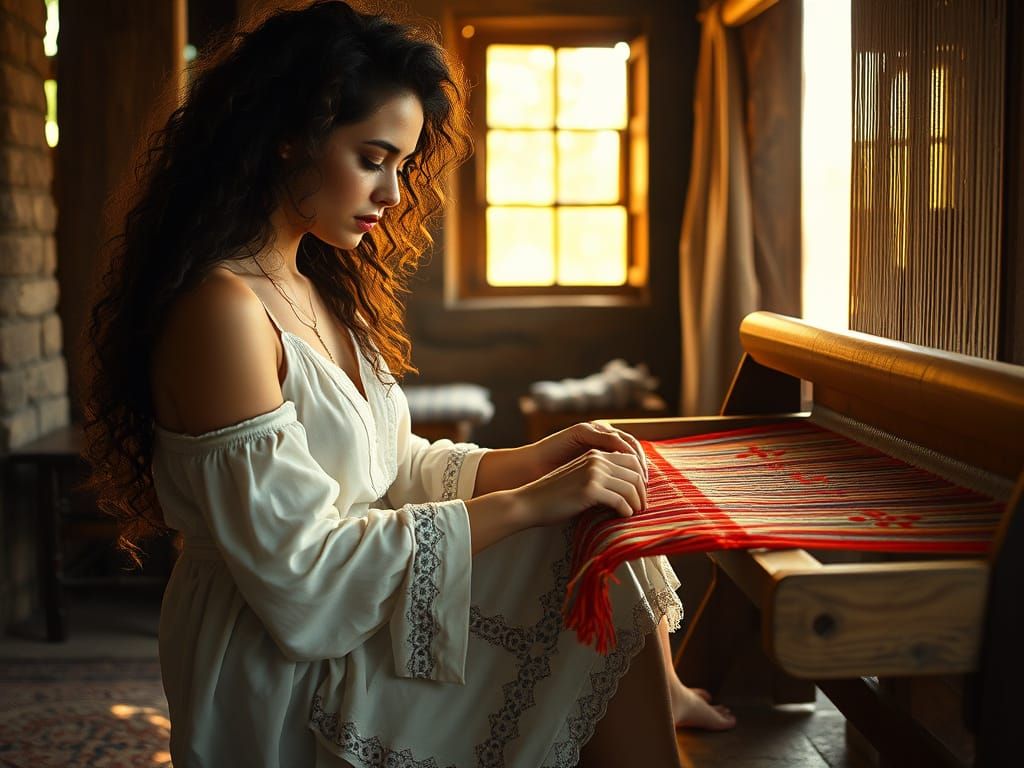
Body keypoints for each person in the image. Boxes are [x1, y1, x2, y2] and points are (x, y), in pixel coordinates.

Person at [81, 1, 734, 765]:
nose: (393, 194)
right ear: (288, 135)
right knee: (572, 567)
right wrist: (530, 502)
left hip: (354, 602)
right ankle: (645, 704)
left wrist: (538, 461)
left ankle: (650, 691)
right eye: (373, 158)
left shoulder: (316, 283)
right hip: (285, 655)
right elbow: (302, 580)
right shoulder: (219, 310)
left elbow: (389, 468)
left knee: (593, 531)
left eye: (401, 164)